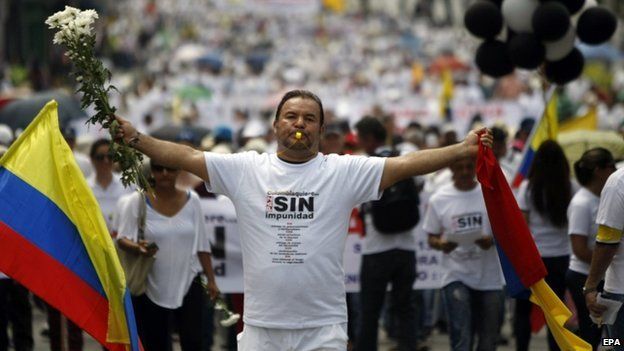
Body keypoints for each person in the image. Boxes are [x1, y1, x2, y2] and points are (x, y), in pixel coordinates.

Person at [114, 89, 492, 350]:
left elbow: (406, 164)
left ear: (321, 130)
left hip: (323, 327)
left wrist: (462, 149)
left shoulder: (343, 172)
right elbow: (186, 156)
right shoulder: (246, 169)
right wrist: (137, 139)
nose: (300, 123)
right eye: (291, 116)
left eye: (310, 118)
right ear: (276, 126)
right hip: (263, 328)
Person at [116, 160, 219, 351]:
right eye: (158, 168)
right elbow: (122, 238)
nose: (164, 173)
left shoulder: (192, 199)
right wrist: (139, 248)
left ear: (179, 170)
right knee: (157, 343)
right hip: (151, 283)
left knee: (194, 341)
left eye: (170, 168)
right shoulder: (137, 201)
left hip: (189, 281)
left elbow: (202, 243)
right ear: (151, 171)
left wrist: (211, 280)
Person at [423, 156, 504, 351]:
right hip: (455, 274)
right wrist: (442, 244)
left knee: (488, 340)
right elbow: (431, 237)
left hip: (489, 277)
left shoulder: (490, 193)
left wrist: (491, 241)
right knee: (461, 337)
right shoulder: (439, 199)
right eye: (460, 168)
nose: (466, 172)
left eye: (470, 167)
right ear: (451, 169)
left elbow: (506, 231)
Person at [354, 116, 418, 351]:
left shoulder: (367, 165)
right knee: (406, 311)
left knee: (370, 312)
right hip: (406, 248)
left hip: (376, 250)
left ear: (369, 139)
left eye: (361, 138)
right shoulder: (404, 159)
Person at [515, 140, 573, 351]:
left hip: (534, 258)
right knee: (555, 313)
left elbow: (522, 225)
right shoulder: (571, 187)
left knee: (523, 310)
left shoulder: (527, 188)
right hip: (561, 258)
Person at [566, 148, 615, 349]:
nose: (615, 169)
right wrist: (607, 259)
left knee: (609, 334)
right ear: (598, 170)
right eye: (611, 165)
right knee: (591, 331)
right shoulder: (581, 203)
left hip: (601, 275)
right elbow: (579, 248)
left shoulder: (603, 198)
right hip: (583, 276)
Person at [584, 166, 624, 346]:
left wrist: (590, 287)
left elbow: (607, 242)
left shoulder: (618, 182)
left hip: (620, 294)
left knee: (614, 344)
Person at [87, 138, 133, 233]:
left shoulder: (128, 185)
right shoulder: (85, 187)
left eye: (110, 156)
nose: (106, 161)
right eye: (100, 157)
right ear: (92, 159)